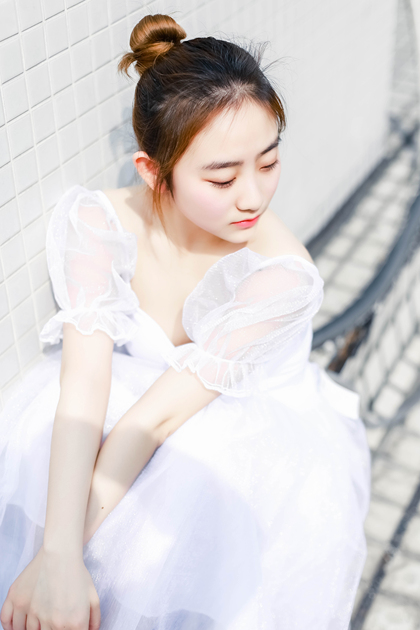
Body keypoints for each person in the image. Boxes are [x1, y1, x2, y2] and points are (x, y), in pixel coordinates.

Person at [0, 13, 370, 630]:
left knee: (191, 493)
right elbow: (83, 385)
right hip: (141, 413)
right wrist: (56, 552)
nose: (252, 196)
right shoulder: (98, 224)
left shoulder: (280, 274)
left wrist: (62, 555)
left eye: (268, 162)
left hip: (239, 435)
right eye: (223, 177)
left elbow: (157, 419)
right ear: (153, 171)